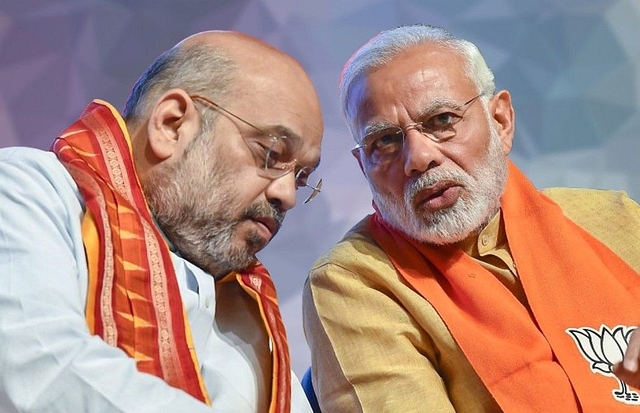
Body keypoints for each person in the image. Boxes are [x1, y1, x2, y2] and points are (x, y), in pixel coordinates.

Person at [302, 23, 640, 412]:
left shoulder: (611, 219)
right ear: (364, 167)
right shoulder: (355, 281)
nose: (418, 158)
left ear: (501, 122)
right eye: (386, 142)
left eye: (442, 120)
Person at [0, 30, 323, 412]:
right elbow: (40, 370)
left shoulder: (250, 312)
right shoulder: (30, 189)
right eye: (270, 154)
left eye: (301, 178)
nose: (286, 194)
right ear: (171, 125)